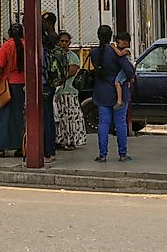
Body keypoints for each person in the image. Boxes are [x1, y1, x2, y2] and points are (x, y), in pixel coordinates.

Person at [90, 26, 134, 163]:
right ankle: (123, 154)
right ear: (111, 37)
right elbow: (129, 70)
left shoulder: (94, 53)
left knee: (103, 123)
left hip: (101, 92)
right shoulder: (116, 52)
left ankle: (102, 155)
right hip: (118, 93)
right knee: (120, 123)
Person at [0, 23, 26, 158]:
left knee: (5, 117)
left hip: (8, 84)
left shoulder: (6, 46)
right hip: (24, 84)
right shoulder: (27, 45)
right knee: (21, 117)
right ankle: (21, 146)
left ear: (9, 33)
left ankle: (0, 147)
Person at [53, 31, 87, 150]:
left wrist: (58, 77)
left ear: (69, 43)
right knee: (60, 118)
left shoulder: (72, 56)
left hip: (70, 91)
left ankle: (71, 141)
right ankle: (61, 140)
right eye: (61, 41)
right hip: (58, 93)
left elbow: (71, 71)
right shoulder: (55, 55)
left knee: (71, 117)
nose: (63, 43)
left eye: (65, 41)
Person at [110, 32, 134, 111]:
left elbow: (120, 54)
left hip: (126, 69)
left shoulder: (127, 50)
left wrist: (113, 47)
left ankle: (119, 101)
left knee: (117, 82)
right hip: (127, 69)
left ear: (125, 43)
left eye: (118, 42)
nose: (117, 44)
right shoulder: (127, 49)